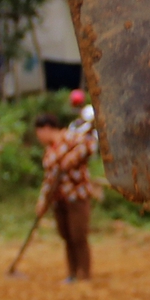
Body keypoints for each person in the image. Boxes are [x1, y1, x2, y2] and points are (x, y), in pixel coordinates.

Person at [32, 113, 100, 283]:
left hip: (76, 196)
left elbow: (90, 145)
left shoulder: (71, 139)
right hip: (59, 199)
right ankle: (72, 273)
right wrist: (43, 202)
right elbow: (49, 180)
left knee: (78, 235)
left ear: (46, 129)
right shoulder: (49, 153)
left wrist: (73, 158)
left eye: (39, 133)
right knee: (67, 236)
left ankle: (84, 274)